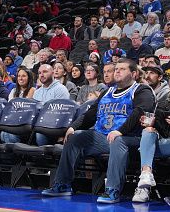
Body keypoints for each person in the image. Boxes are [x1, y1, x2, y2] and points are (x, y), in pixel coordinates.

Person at [42, 59, 155, 204]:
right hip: (103, 136)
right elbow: (92, 113)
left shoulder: (141, 90)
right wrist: (73, 127)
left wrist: (120, 131)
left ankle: (112, 190)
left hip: (131, 138)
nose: (117, 71)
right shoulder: (108, 91)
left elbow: (141, 112)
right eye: (116, 69)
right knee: (74, 137)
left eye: (122, 69)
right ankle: (63, 184)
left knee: (117, 140)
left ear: (133, 74)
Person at [132, 68, 170, 203]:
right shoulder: (167, 102)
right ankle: (146, 177)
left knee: (146, 149)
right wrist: (154, 123)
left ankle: (144, 187)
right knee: (148, 131)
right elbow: (164, 132)